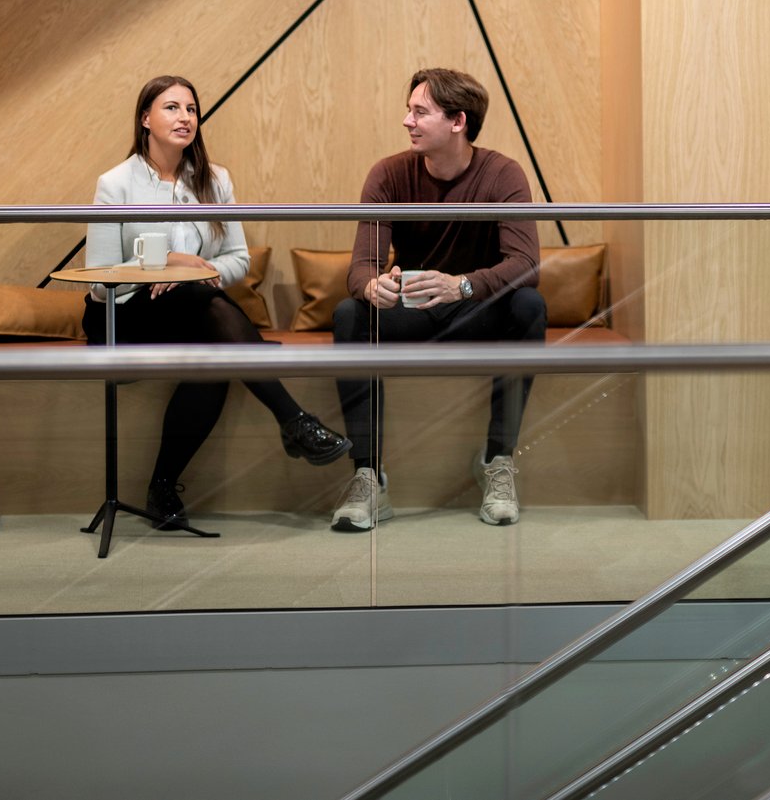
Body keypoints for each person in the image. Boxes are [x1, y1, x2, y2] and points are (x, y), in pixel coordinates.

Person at [85, 74, 350, 531]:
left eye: (191, 109)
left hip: (192, 311)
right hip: (124, 316)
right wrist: (165, 265)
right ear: (145, 119)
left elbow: (238, 261)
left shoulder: (214, 180)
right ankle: (294, 420)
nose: (185, 117)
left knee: (211, 342)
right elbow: (97, 281)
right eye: (171, 108)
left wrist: (197, 269)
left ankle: (162, 487)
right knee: (199, 299)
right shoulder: (116, 184)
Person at [330, 68, 546, 532]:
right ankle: (369, 477)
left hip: (475, 311)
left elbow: (526, 263)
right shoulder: (388, 174)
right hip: (411, 311)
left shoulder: (503, 173)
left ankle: (498, 460)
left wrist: (462, 285)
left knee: (529, 306)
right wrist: (372, 287)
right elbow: (361, 265)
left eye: (419, 112)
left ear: (457, 122)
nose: (407, 120)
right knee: (350, 315)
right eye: (409, 110)